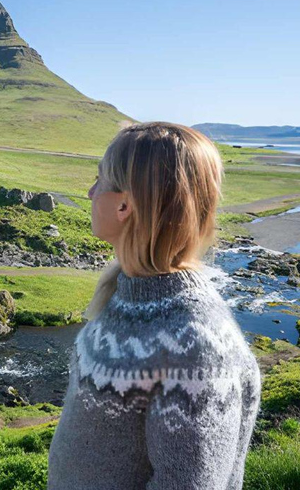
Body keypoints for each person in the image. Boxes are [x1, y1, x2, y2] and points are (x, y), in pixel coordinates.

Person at [47, 122, 261, 489]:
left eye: (99, 180)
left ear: (125, 205)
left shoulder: (195, 343)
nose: (89, 192)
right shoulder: (126, 292)